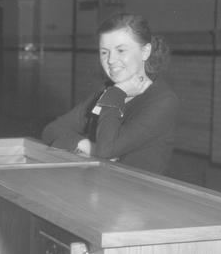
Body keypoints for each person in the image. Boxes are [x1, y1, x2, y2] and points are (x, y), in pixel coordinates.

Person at [41, 13, 179, 175]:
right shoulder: (107, 91)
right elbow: (51, 130)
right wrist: (88, 147)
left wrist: (117, 93)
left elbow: (105, 151)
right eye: (104, 52)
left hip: (136, 195)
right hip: (102, 186)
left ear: (145, 52)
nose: (111, 60)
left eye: (121, 50)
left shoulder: (163, 101)